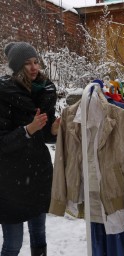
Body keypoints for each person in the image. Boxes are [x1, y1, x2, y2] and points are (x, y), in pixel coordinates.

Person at [0, 42, 60, 256]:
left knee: (39, 235)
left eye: (36, 62)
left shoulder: (43, 91)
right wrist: (27, 130)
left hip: (37, 174)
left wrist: (51, 130)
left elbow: (42, 136)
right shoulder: (3, 94)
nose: (34, 67)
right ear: (17, 67)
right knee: (13, 244)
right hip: (9, 180)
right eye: (27, 64)